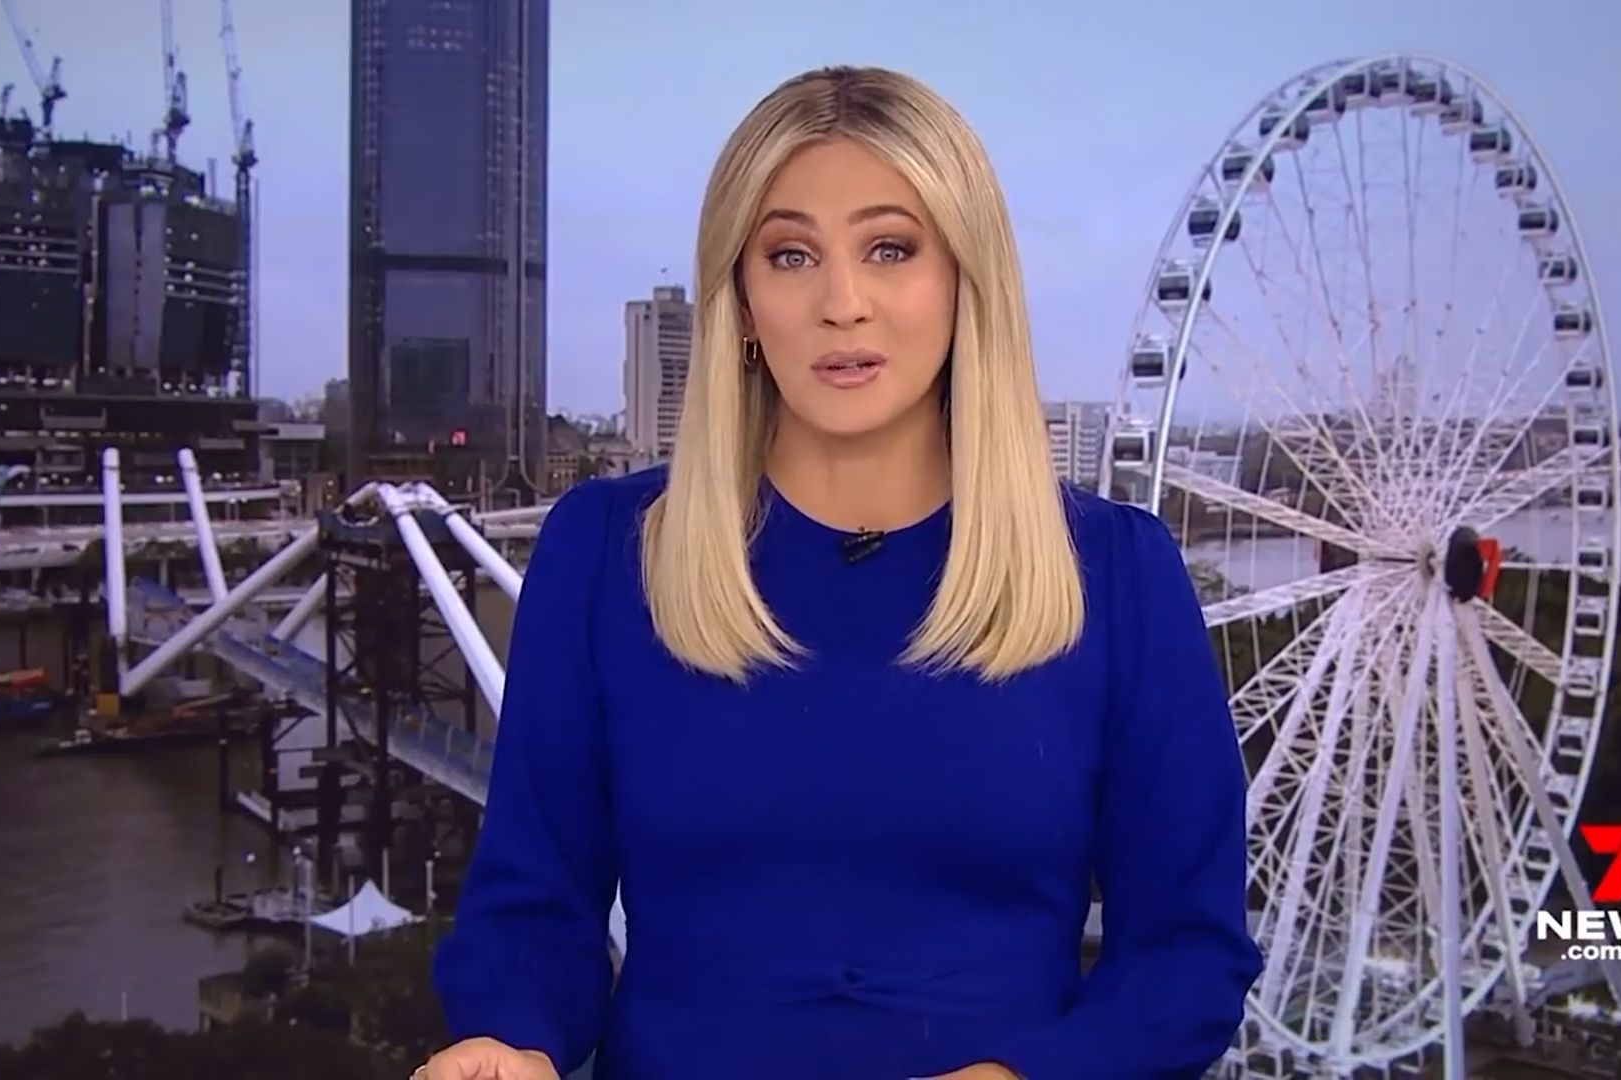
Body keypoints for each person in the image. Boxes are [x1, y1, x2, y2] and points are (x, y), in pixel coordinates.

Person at [418, 65, 1261, 1080]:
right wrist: (508, 1041)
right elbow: (535, 908)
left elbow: (1185, 957)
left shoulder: (1119, 579)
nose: (842, 303)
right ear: (742, 297)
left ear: (966, 278)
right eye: (791, 255)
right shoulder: (605, 553)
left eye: (890, 249)